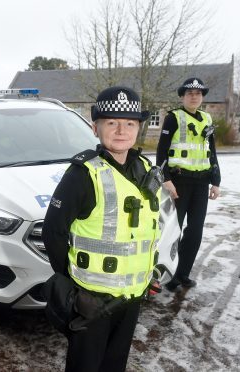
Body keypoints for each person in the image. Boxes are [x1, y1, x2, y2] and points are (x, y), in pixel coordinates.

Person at [42, 86, 162, 372]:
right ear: (96, 128)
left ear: (138, 128)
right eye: (111, 122)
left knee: (114, 366)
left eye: (129, 123)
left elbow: (144, 230)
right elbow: (53, 232)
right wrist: (71, 286)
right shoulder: (83, 174)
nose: (121, 130)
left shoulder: (144, 169)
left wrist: (149, 271)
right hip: (91, 302)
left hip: (131, 297)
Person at [156, 77, 221, 293]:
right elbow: (161, 151)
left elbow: (211, 151)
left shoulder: (207, 119)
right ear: (183, 96)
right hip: (179, 183)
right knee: (173, 231)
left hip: (201, 184)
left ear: (202, 97)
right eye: (190, 93)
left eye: (198, 94)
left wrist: (216, 181)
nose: (194, 97)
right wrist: (166, 180)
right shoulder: (174, 118)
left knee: (195, 232)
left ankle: (182, 274)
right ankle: (167, 274)